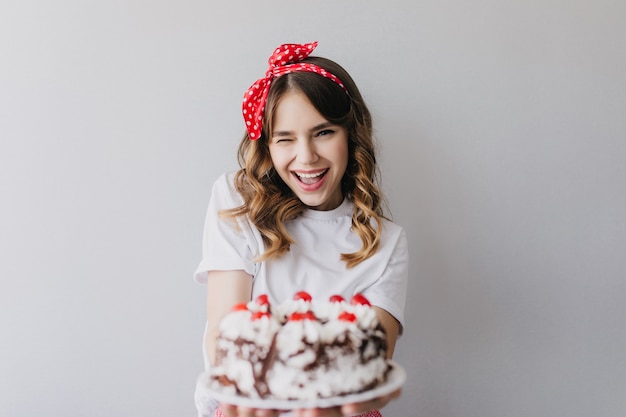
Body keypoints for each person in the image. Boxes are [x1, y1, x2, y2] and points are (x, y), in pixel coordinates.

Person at [194, 41, 409, 417]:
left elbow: (369, 364)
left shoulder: (385, 243)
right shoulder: (237, 201)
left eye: (323, 132)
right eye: (285, 138)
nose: (306, 157)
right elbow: (226, 336)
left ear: (351, 135)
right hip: (246, 403)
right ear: (267, 145)